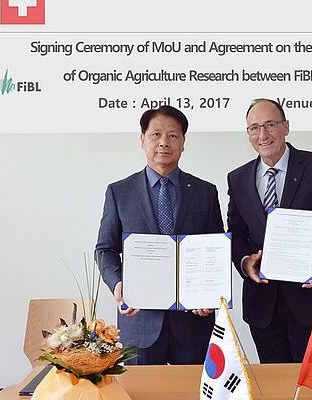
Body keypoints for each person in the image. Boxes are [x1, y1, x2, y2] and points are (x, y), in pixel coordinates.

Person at [227, 98, 312, 363]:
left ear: (286, 126)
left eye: (270, 125)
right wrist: (244, 262)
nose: (262, 135)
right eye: (254, 128)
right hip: (263, 305)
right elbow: (236, 231)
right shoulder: (237, 178)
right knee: (276, 386)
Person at [96, 105, 225, 365]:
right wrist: (118, 284)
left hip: (192, 321)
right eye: (156, 135)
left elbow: (215, 250)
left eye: (173, 136)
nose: (164, 143)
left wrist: (209, 294)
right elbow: (105, 249)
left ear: (183, 143)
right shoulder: (120, 192)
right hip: (140, 321)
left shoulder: (204, 191)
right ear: (142, 139)